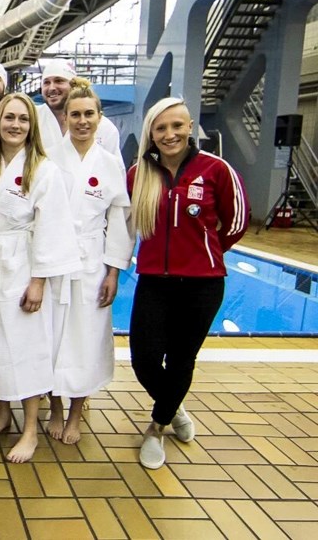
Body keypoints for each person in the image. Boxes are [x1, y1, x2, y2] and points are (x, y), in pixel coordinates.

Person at [127, 97, 250, 469]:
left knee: (181, 359)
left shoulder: (216, 169)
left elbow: (236, 222)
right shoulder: (138, 174)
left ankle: (157, 426)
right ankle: (174, 406)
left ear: (190, 127)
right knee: (143, 359)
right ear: (152, 132)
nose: (170, 134)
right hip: (153, 281)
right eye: (161, 128)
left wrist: (207, 251)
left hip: (202, 284)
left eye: (177, 126)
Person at [0, 93, 81, 463]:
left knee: (26, 346)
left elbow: (52, 228)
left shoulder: (43, 169)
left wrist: (39, 281)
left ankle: (31, 428)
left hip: (21, 265)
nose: (15, 125)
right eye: (8, 118)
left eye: (22, 119)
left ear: (32, 126)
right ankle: (3, 412)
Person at [47, 79, 135, 444]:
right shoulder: (50, 158)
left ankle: (76, 413)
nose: (82, 121)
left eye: (89, 114)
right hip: (54, 260)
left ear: (99, 118)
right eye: (75, 114)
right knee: (50, 336)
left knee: (86, 338)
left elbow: (119, 220)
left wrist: (113, 271)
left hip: (93, 262)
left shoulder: (110, 163)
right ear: (64, 118)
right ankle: (52, 407)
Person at [37, 58, 122, 160]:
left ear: (73, 85)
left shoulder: (105, 128)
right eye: (46, 83)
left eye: (58, 81)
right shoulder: (33, 118)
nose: (51, 88)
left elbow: (116, 169)